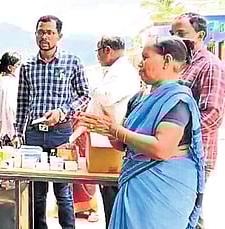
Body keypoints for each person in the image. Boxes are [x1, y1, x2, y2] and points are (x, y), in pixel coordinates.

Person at [78, 36, 204, 229]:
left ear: (167, 61)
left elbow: (162, 149)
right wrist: (108, 130)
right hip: (136, 184)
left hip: (161, 191)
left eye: (145, 57)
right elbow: (126, 144)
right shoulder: (141, 98)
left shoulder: (177, 101)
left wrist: (118, 131)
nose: (139, 63)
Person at [14, 15, 90, 229]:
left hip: (61, 133)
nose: (44, 36)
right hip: (34, 134)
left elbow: (84, 95)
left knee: (63, 191)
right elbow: (22, 101)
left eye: (50, 32)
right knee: (36, 193)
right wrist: (19, 132)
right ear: (35, 34)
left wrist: (63, 111)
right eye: (41, 32)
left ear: (59, 36)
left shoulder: (72, 61)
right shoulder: (27, 65)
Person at [76, 35, 140, 226]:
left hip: (116, 138)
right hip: (107, 137)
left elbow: (105, 97)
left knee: (112, 191)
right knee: (107, 190)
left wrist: (92, 82)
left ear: (107, 50)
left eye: (97, 52)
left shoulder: (124, 72)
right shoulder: (114, 70)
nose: (97, 57)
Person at [170, 12, 225, 229]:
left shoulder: (210, 65)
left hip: (195, 155)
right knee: (176, 211)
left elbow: (212, 114)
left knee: (190, 214)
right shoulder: (182, 64)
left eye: (181, 33)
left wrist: (174, 136)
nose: (175, 38)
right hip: (175, 152)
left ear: (200, 35)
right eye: (173, 33)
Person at [0, 52, 21, 146]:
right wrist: (14, 133)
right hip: (9, 131)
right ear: (10, 68)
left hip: (2, 129)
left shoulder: (3, 81)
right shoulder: (9, 83)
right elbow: (10, 108)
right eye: (18, 65)